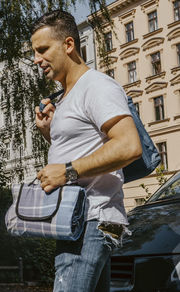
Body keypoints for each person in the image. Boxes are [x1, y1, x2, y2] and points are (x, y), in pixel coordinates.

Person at [31, 10, 142, 292]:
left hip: (94, 219)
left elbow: (129, 145)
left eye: (42, 50)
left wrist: (67, 172)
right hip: (84, 220)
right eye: (34, 52)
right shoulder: (68, 95)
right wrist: (50, 134)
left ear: (68, 45)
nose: (36, 59)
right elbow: (86, 147)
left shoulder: (96, 86)